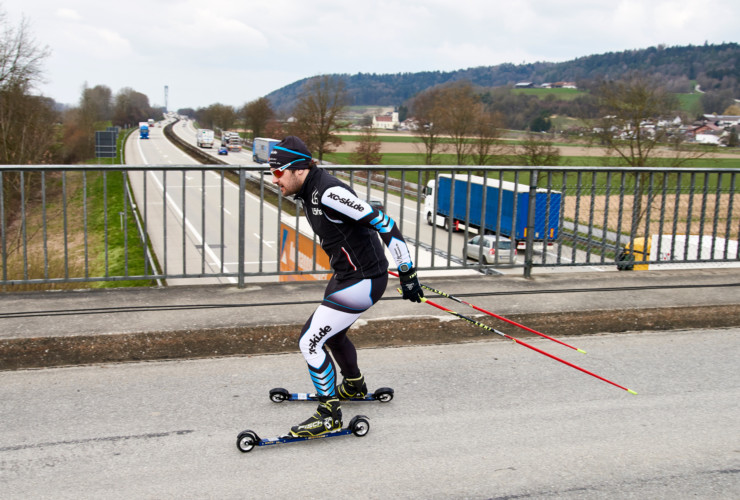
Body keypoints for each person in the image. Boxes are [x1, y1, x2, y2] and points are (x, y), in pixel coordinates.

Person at [268, 136, 423, 437]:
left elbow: (385, 223)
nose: (275, 180)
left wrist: (407, 272)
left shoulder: (329, 193)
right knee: (334, 335)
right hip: (346, 276)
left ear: (299, 169)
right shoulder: (308, 189)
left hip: (364, 280)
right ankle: (353, 384)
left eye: (278, 172)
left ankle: (329, 415)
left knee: (309, 341)